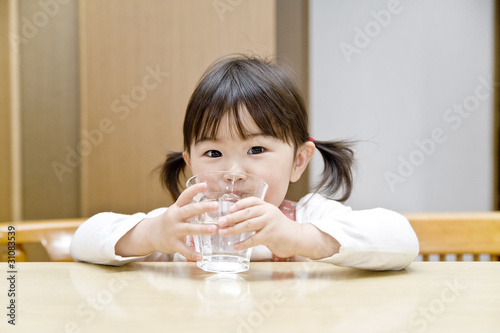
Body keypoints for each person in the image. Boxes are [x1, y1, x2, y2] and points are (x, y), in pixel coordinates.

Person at [71, 54, 419, 270]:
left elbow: (402, 241)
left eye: (256, 150)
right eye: (213, 154)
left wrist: (300, 239)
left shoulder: (309, 217)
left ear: (299, 160)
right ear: (190, 162)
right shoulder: (186, 228)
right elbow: (84, 239)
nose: (234, 174)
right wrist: (152, 234)